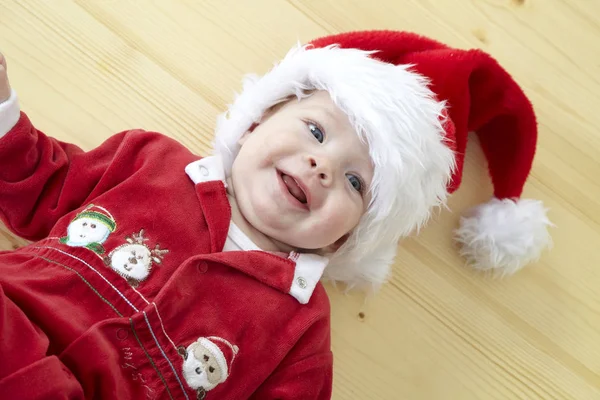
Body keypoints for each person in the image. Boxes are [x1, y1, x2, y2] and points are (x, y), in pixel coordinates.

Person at [0, 30, 552, 399]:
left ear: (349, 239)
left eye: (356, 181)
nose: (321, 166)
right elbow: (39, 183)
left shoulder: (300, 332)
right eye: (315, 130)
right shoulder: (148, 160)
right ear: (256, 120)